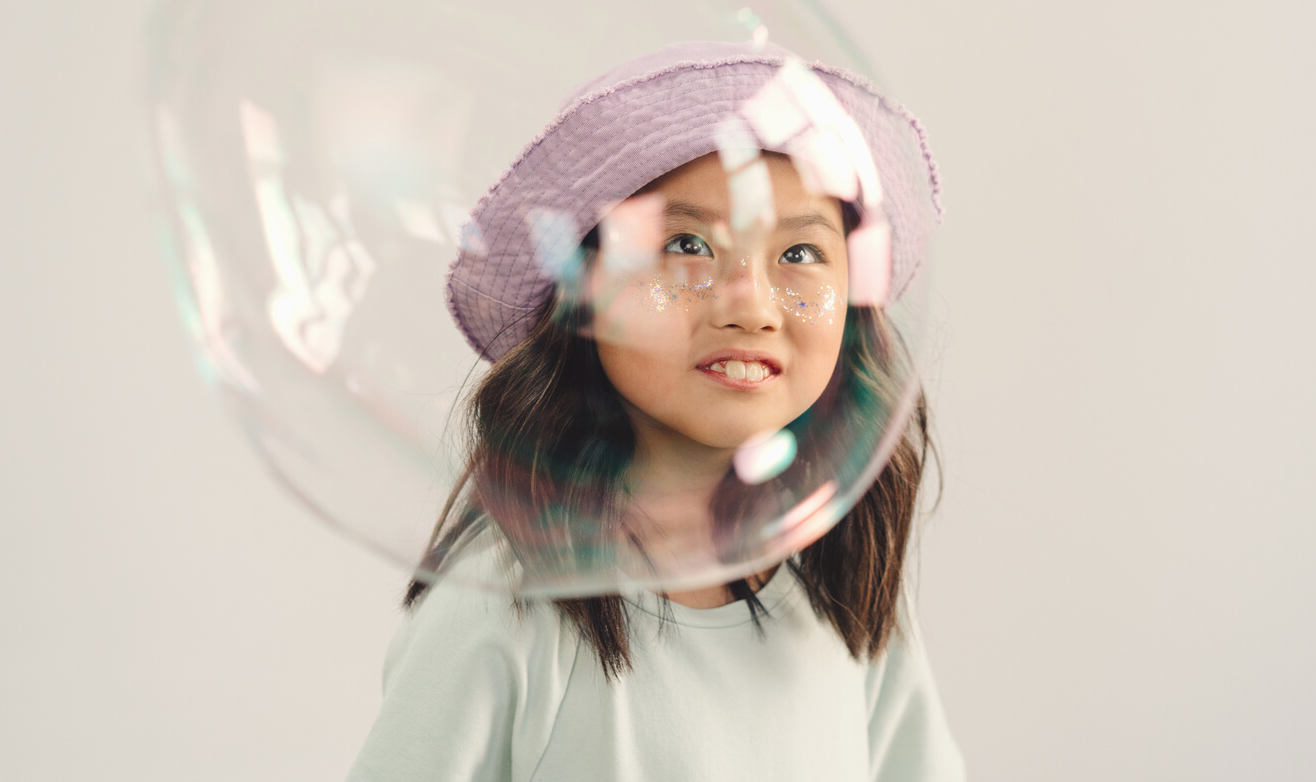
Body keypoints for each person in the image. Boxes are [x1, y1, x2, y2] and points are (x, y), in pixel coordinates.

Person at [347, 41, 964, 781]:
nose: (752, 305)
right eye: (687, 244)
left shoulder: (850, 599)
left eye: (800, 254)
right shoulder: (501, 611)